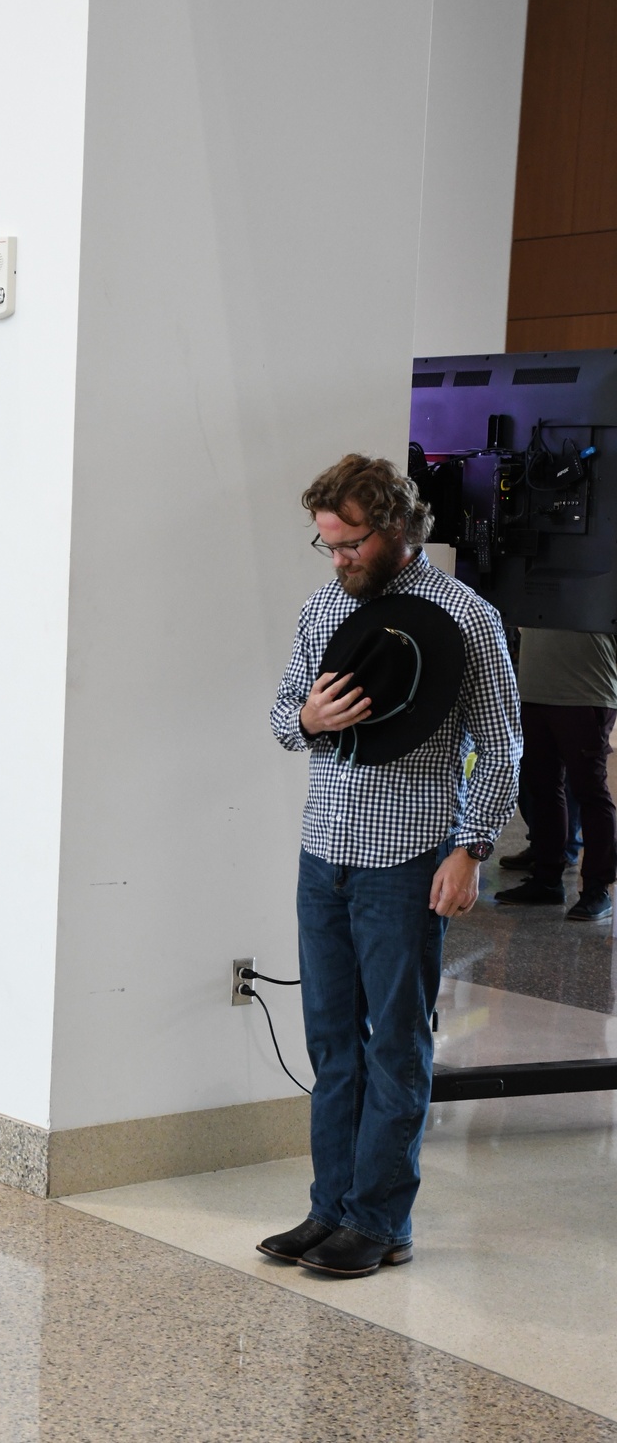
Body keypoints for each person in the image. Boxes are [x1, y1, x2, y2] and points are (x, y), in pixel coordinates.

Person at [257, 454, 520, 1279]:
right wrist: (306, 715)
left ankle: (380, 1220)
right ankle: (329, 1208)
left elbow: (500, 743)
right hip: (322, 855)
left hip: (406, 862)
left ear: (399, 529)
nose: (337, 560)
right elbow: (280, 720)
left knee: (396, 1044)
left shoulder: (466, 619)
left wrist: (470, 850)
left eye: (350, 544)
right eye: (327, 545)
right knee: (331, 1042)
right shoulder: (323, 609)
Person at [494, 629, 617, 921]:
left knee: (590, 791)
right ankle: (546, 880)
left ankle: (596, 890)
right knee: (543, 789)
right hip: (534, 688)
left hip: (587, 689)